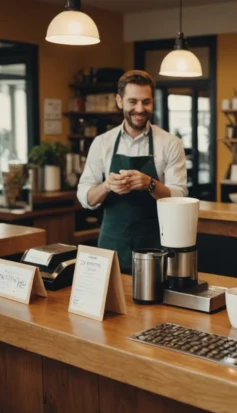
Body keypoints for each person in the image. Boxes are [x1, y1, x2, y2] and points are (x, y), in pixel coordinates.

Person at [77, 70, 187, 273]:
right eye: (132, 101)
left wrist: (150, 184)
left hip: (155, 246)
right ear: (119, 101)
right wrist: (107, 186)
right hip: (112, 245)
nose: (139, 108)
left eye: (146, 102)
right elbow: (86, 198)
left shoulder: (170, 143)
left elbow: (179, 196)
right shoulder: (103, 143)